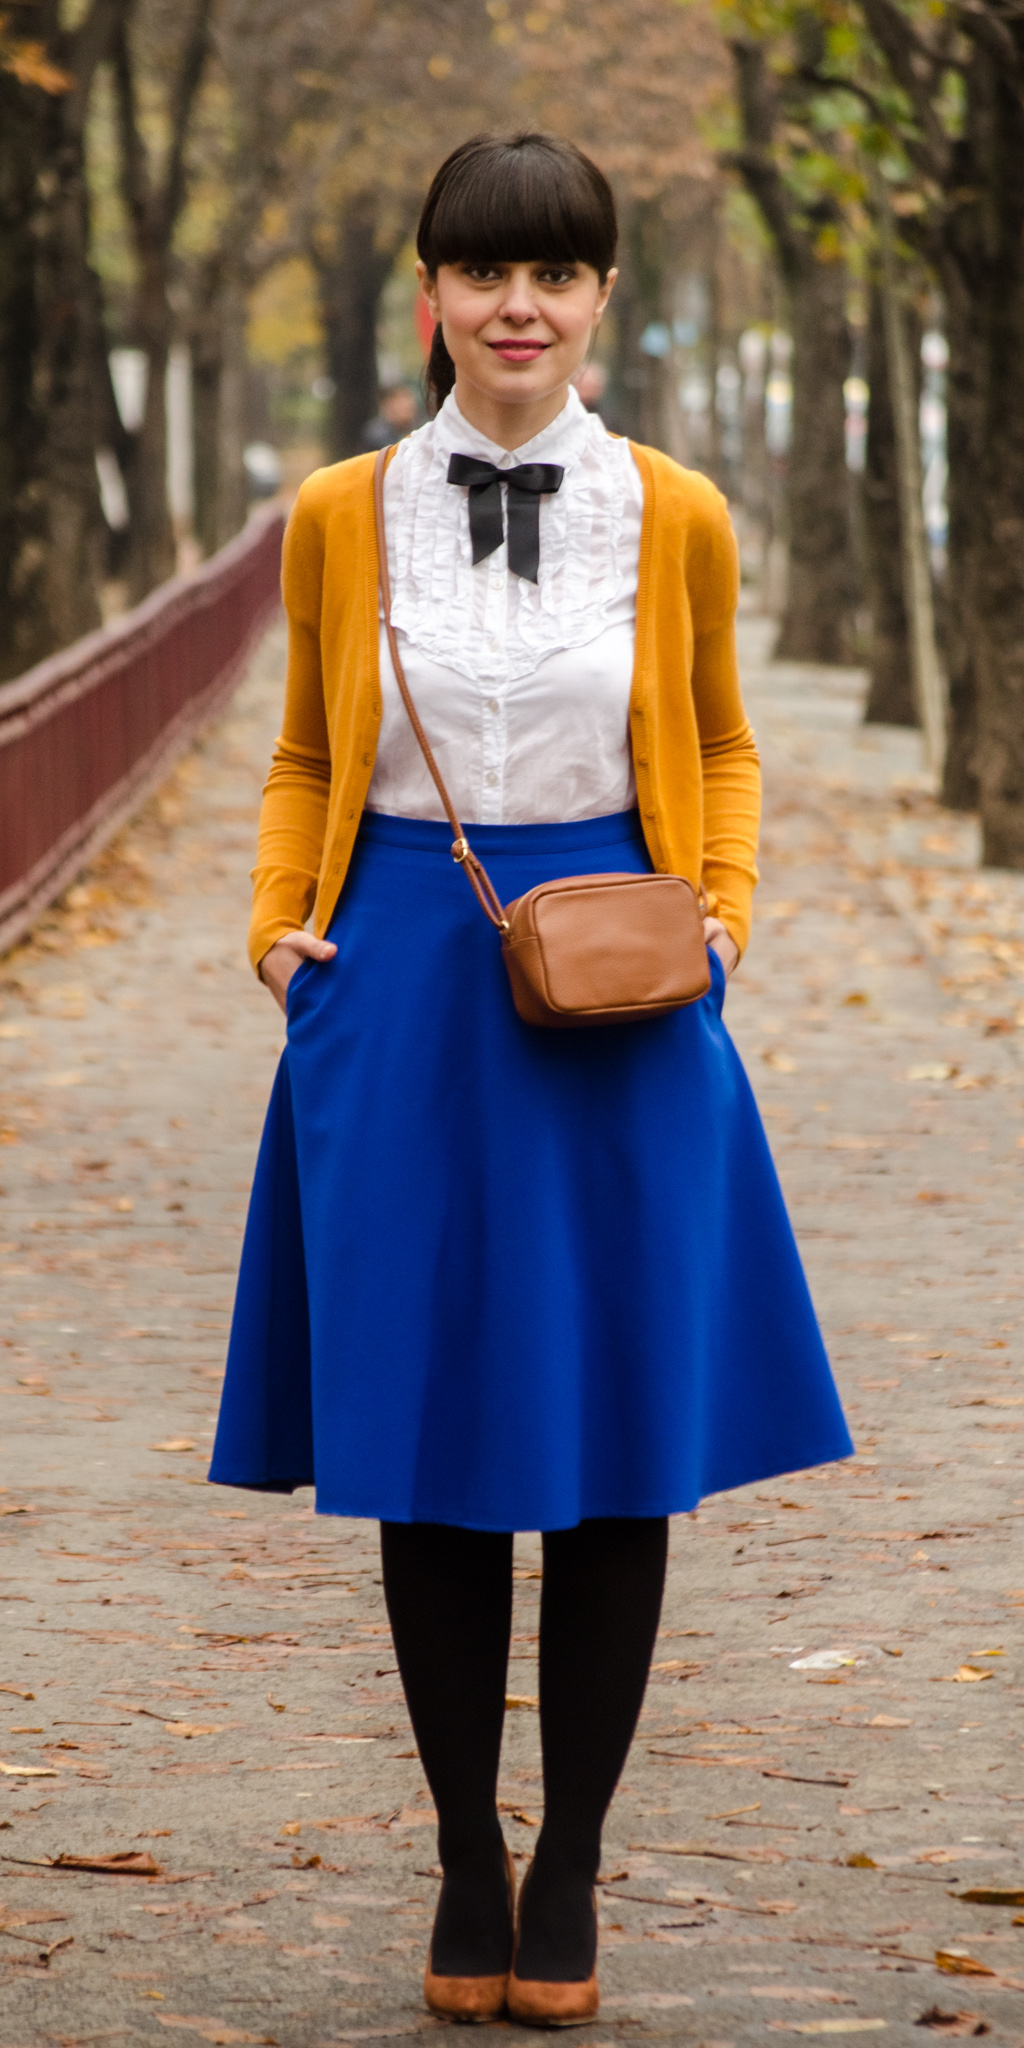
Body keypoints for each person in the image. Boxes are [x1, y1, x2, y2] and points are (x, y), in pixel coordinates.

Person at [210, 131, 852, 2028]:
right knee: (424, 1441)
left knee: (608, 1443)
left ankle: (569, 1858)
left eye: (557, 274)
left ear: (600, 304)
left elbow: (722, 745)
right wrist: (277, 932)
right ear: (431, 297)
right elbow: (307, 761)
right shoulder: (340, 513)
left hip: (625, 979)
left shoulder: (679, 511)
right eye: (486, 273)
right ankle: (462, 1857)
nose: (519, 306)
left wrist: (722, 913)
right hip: (400, 978)